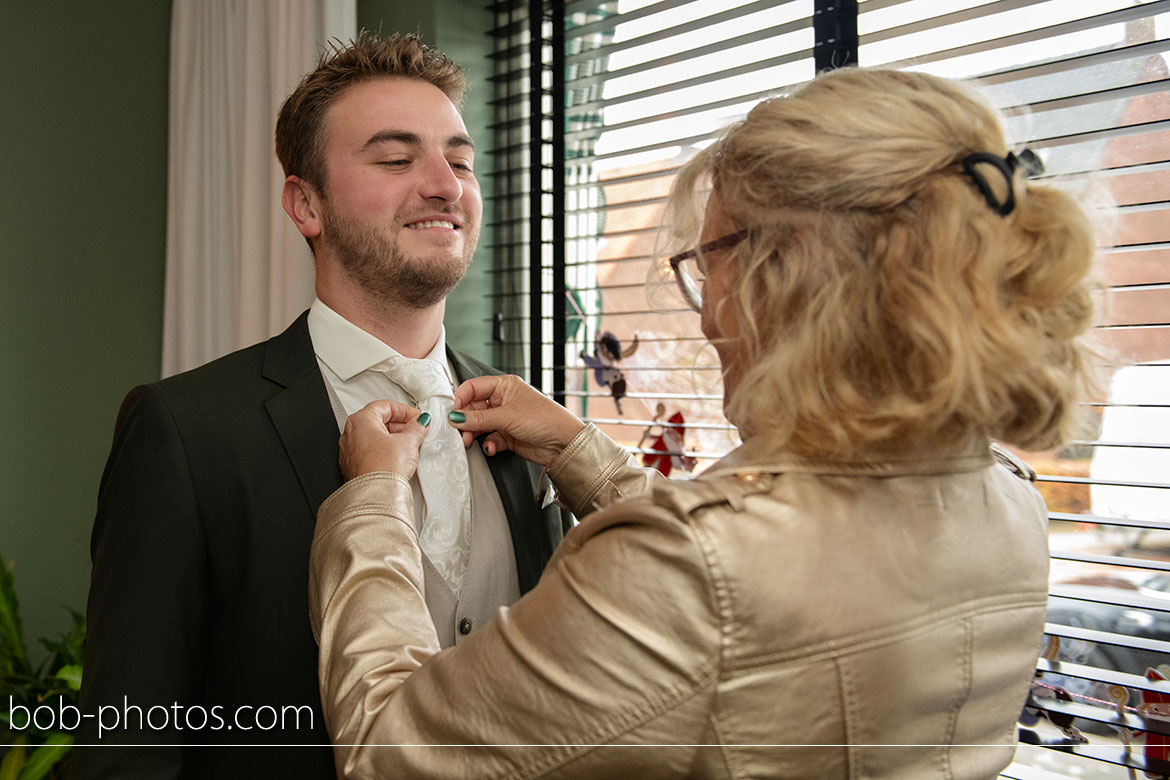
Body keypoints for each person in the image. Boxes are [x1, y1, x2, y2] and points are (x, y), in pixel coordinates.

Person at [307, 65, 1101, 778]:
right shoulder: (1010, 501)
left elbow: (387, 751)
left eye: (707, 263)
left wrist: (374, 497)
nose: (707, 310)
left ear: (778, 274)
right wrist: (581, 450)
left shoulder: (693, 566)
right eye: (394, 158)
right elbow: (761, 586)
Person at [76, 32, 571, 779]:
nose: (445, 185)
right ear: (305, 203)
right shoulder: (185, 431)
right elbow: (128, 744)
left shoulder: (538, 427)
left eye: (460, 161)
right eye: (397, 158)